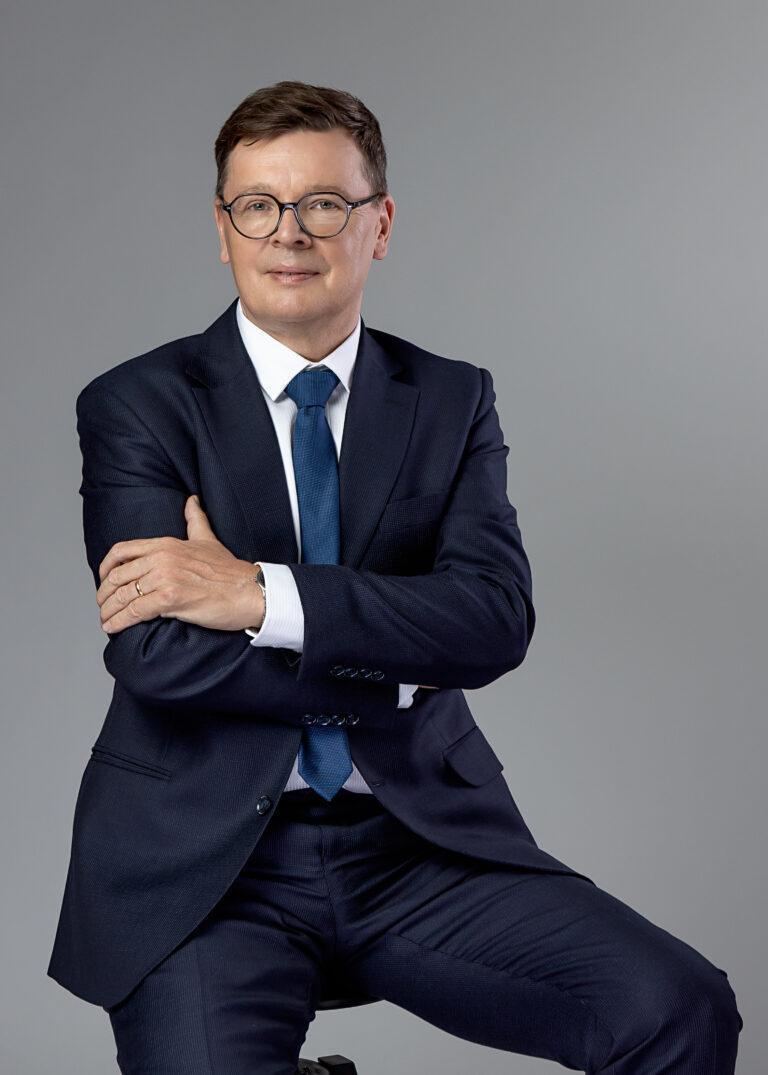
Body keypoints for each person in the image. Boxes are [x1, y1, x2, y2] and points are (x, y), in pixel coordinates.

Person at [47, 80, 742, 1073]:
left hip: (417, 844)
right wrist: (397, 670)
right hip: (204, 870)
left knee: (677, 1009)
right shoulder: (138, 404)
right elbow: (157, 653)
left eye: (325, 204)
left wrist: (257, 596)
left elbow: (492, 621)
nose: (290, 232)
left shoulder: (451, 400)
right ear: (222, 228)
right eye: (258, 205)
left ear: (380, 224)